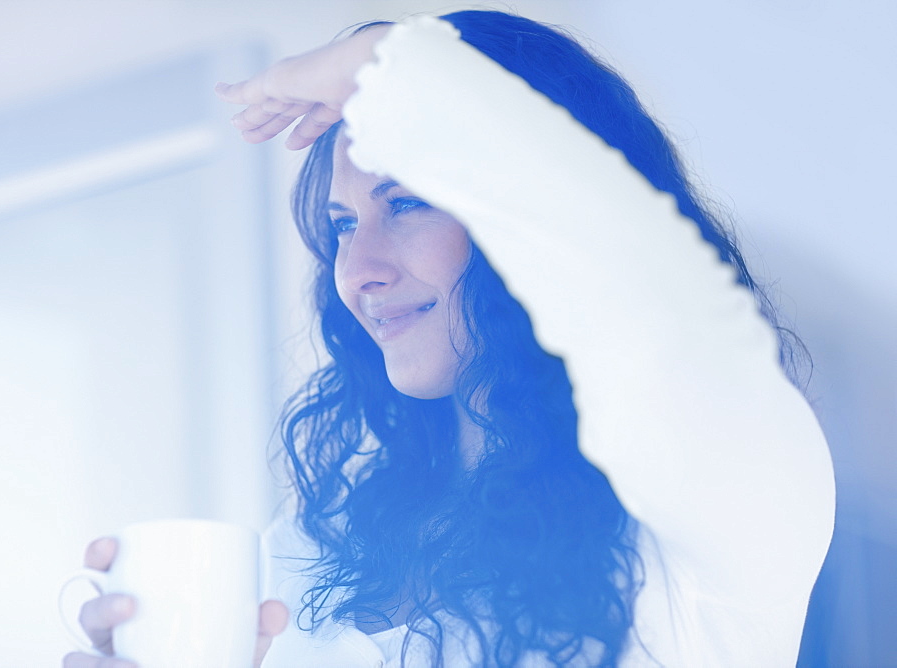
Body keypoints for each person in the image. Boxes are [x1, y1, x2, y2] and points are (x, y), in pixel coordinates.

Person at [64, 9, 835, 667]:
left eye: (404, 205)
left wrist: (383, 62)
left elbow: (633, 282)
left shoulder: (718, 482)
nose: (355, 270)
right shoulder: (316, 540)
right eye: (340, 225)